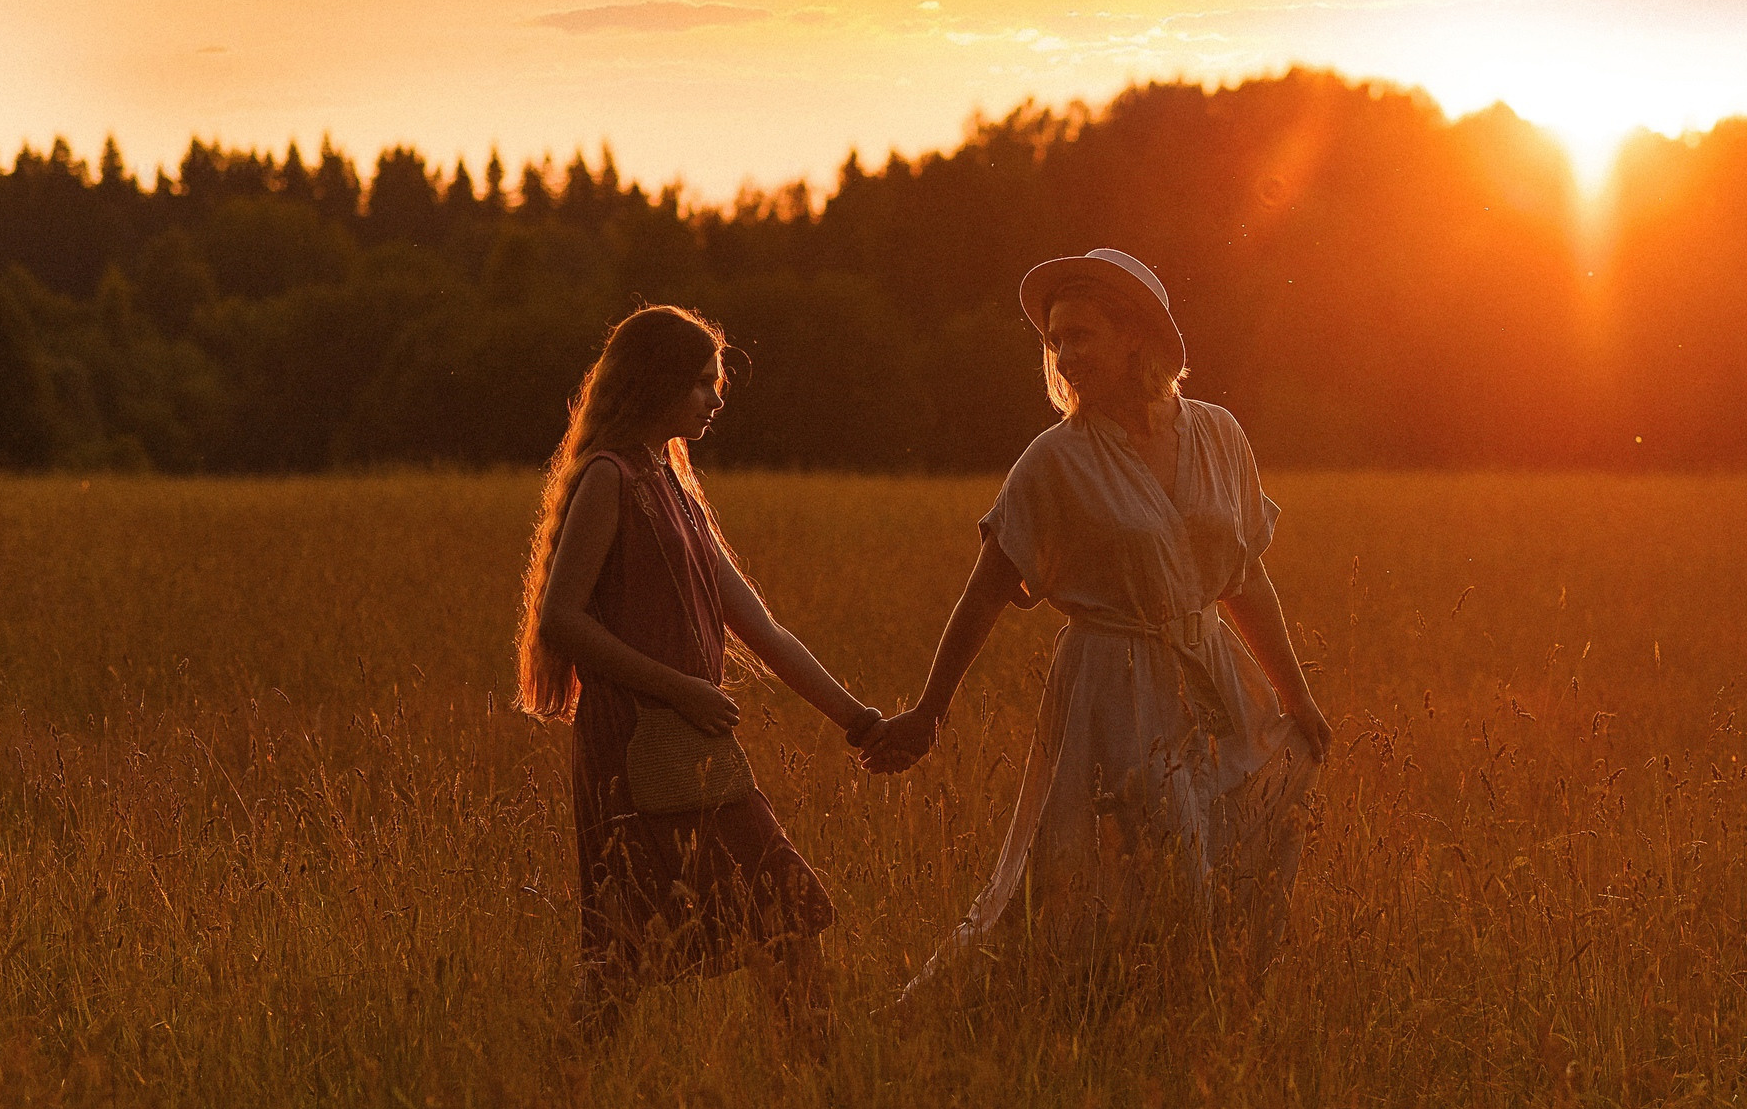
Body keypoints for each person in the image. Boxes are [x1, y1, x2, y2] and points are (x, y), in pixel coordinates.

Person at [865, 249, 1334, 992]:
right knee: (1168, 867)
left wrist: (1295, 694)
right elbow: (984, 593)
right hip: (1113, 689)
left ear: (1138, 338)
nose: (1066, 355)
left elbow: (1243, 575)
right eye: (1057, 340)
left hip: (1212, 671)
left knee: (1237, 850)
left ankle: (1189, 1016)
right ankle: (1062, 1008)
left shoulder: (1219, 435)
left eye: (1082, 335)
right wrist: (928, 711)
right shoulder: (1054, 462)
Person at [516, 305, 881, 1041]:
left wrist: (860, 722)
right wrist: (681, 687)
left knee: (771, 912)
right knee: (635, 946)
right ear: (657, 385)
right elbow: (562, 619)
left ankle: (822, 1074)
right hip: (635, 745)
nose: (717, 398)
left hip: (690, 742)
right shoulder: (610, 480)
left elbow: (764, 631)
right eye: (703, 384)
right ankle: (823, 1076)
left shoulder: (674, 489)